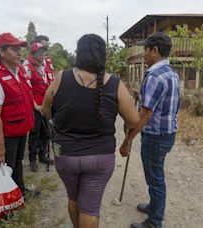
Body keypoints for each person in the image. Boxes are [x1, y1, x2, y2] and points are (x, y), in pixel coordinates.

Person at [42, 34, 139, 228]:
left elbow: (46, 110)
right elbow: (134, 119)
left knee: (74, 198)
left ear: (79, 54)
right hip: (100, 158)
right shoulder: (115, 84)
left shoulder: (62, 77)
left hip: (66, 156)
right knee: (90, 208)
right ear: (102, 56)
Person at [120, 32, 180, 228]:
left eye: (146, 49)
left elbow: (146, 115)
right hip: (167, 134)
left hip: (155, 136)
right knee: (156, 174)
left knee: (155, 179)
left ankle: (154, 222)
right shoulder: (172, 74)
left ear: (155, 51)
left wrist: (129, 139)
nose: (143, 53)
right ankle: (154, 207)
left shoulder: (154, 76)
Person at [0, 32, 35, 196]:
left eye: (20, 48)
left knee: (17, 162)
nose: (20, 52)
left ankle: (20, 193)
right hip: (5, 132)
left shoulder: (20, 71)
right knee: (5, 165)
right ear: (2, 52)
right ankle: (5, 206)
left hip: (19, 128)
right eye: (14, 49)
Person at [23, 42, 54, 172]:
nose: (42, 54)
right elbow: (27, 88)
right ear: (33, 53)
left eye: (43, 52)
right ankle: (32, 160)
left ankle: (42, 156)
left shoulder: (45, 65)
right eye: (39, 52)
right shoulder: (27, 66)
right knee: (35, 133)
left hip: (46, 104)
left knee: (45, 132)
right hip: (35, 105)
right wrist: (35, 105)